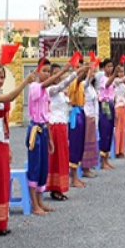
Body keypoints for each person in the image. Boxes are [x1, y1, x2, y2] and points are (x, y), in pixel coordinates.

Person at [0, 66, 36, 233]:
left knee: (3, 182)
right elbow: (10, 96)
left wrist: (9, 147)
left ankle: (1, 222)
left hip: (2, 142)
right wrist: (25, 82)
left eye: (2, 77)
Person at [27, 58, 72, 214]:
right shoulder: (34, 86)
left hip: (44, 128)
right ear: (37, 72)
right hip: (34, 130)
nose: (46, 74)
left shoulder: (45, 91)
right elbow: (48, 84)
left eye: (48, 71)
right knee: (35, 166)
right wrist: (63, 71)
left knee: (43, 166)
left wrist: (50, 139)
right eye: (44, 71)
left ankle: (40, 200)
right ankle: (34, 204)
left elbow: (46, 115)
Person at [47, 63, 85, 201]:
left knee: (63, 157)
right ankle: (55, 188)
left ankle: (60, 187)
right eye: (55, 73)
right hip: (55, 126)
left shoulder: (60, 92)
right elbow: (63, 84)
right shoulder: (50, 89)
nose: (58, 76)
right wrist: (74, 72)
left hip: (63, 125)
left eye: (59, 73)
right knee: (57, 157)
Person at [67, 65, 89, 185]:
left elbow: (86, 78)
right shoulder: (74, 83)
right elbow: (80, 77)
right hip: (75, 114)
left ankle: (76, 175)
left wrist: (88, 70)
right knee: (74, 144)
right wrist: (82, 70)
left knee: (80, 144)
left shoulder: (80, 84)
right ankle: (73, 177)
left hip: (81, 112)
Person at [98, 59, 117, 170]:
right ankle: (103, 161)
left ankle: (106, 159)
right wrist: (114, 74)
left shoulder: (112, 79)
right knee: (105, 131)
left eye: (111, 66)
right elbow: (107, 84)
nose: (110, 68)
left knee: (110, 131)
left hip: (110, 105)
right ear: (104, 68)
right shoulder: (103, 79)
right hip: (105, 105)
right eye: (108, 66)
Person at [81, 65, 100, 173]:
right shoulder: (84, 84)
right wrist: (89, 70)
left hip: (93, 115)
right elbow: (87, 81)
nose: (93, 74)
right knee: (87, 141)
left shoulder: (91, 87)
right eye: (92, 72)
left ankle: (90, 164)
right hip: (87, 114)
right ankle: (85, 167)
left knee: (93, 141)